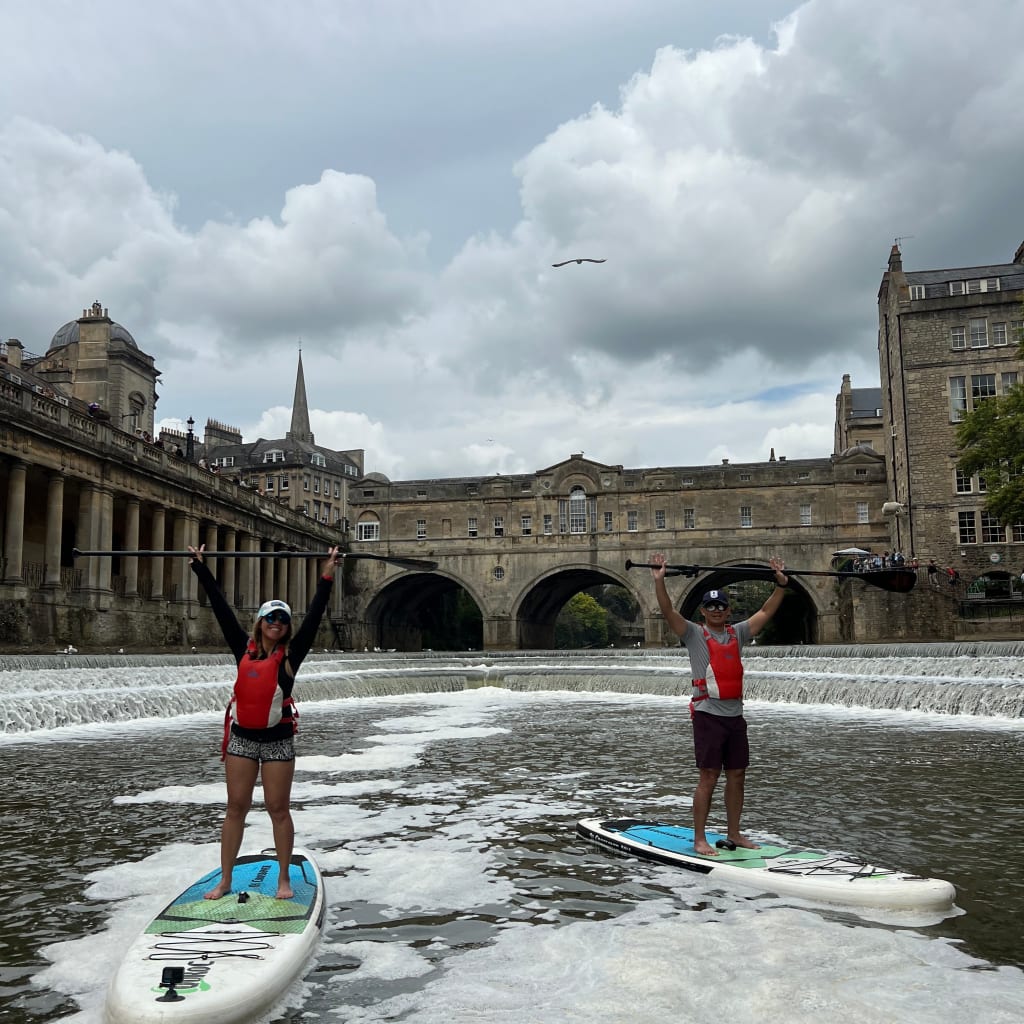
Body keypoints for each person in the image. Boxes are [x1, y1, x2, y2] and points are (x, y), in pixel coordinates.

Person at [187, 542, 340, 900]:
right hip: (241, 739)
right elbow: (221, 608)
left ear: (287, 627)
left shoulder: (291, 656)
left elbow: (315, 615)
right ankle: (225, 880)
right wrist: (200, 567)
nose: (276, 623)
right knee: (235, 808)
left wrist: (327, 575)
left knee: (278, 809)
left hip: (278, 741)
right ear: (260, 622)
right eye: (271, 618)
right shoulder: (243, 648)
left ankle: (284, 879)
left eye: (282, 619)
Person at [650, 552, 789, 856]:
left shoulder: (737, 633)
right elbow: (668, 610)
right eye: (711, 606)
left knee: (737, 775)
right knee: (709, 777)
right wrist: (659, 581)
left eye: (721, 606)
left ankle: (734, 833)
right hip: (708, 716)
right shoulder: (693, 634)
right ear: (703, 611)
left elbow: (766, 611)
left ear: (728, 611)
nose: (716, 610)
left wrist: (780, 585)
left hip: (734, 717)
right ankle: (699, 839)